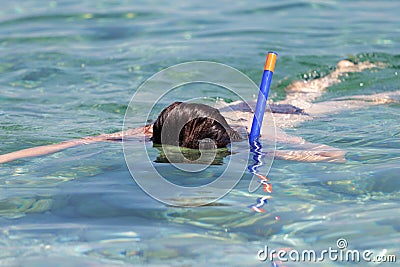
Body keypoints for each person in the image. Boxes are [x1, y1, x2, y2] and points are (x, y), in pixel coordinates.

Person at [0, 60, 398, 164]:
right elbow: (74, 142)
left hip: (287, 114)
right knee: (304, 86)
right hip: (237, 109)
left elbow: (333, 153)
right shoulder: (152, 132)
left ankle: (350, 77)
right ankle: (337, 72)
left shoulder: (269, 137)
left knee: (337, 98)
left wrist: (283, 154)